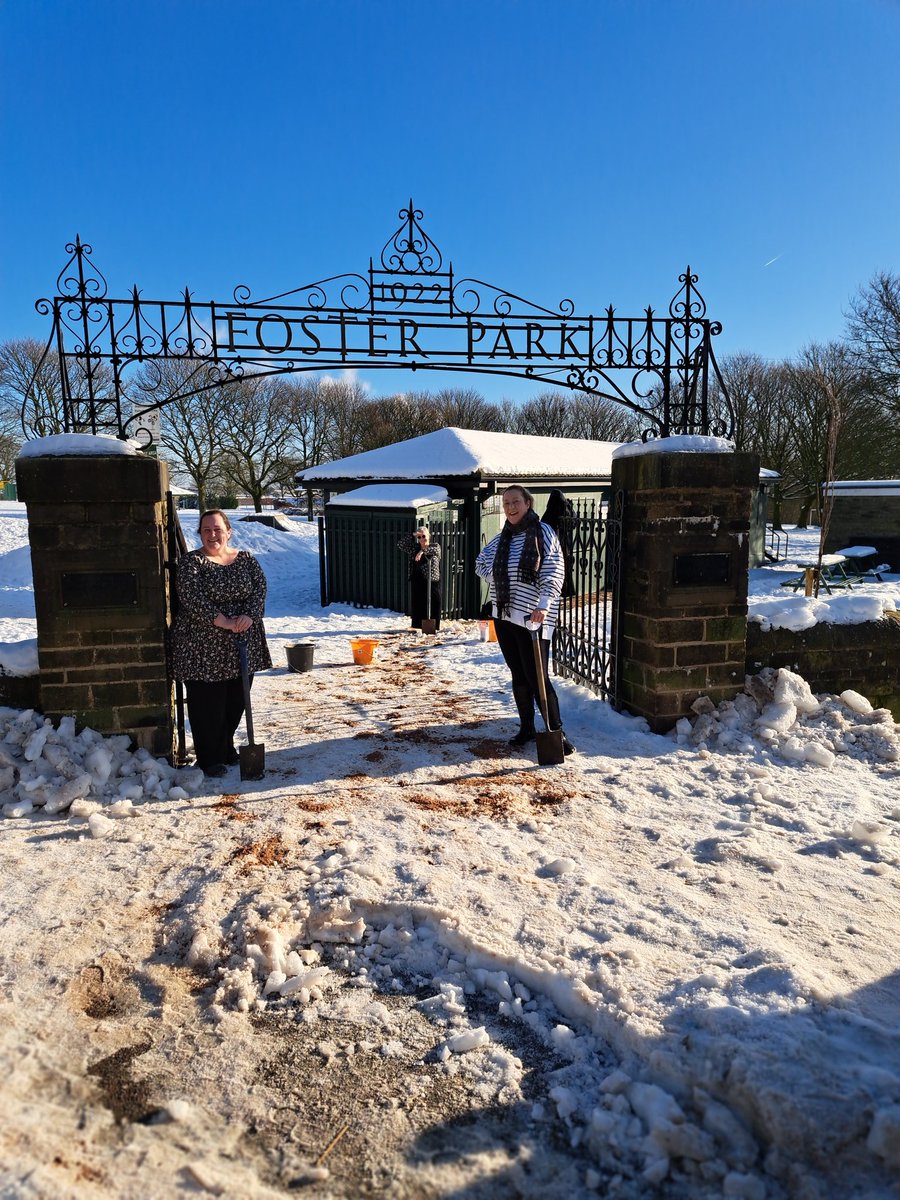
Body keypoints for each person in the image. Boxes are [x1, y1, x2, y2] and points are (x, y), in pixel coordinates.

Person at [170, 509, 272, 777]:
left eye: (217, 529)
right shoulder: (192, 563)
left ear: (229, 532)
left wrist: (249, 615)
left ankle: (226, 748)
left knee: (236, 700)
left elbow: (260, 590)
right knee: (208, 705)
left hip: (242, 642)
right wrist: (223, 621)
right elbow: (191, 598)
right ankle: (209, 758)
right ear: (200, 533)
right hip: (202, 645)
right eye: (206, 530)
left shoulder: (246, 560)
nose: (212, 535)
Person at [476, 485, 575, 754]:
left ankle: (556, 731)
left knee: (537, 676)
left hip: (533, 618)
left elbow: (554, 570)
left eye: (515, 501)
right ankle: (527, 727)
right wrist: (497, 577)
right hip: (505, 616)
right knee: (518, 674)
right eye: (506, 502)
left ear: (528, 503)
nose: (510, 507)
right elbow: (480, 562)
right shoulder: (502, 537)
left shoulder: (543, 533)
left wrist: (544, 605)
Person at [398, 526, 442, 630]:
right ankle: (418, 626)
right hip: (418, 578)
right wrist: (412, 535)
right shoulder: (414, 547)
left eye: (424, 536)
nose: (422, 539)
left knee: (435, 601)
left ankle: (434, 626)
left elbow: (433, 550)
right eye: (419, 537)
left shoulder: (435, 546)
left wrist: (422, 552)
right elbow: (400, 545)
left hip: (432, 579)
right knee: (418, 602)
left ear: (429, 536)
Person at [542, 488, 576, 599]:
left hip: (555, 545)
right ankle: (568, 590)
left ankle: (559, 591)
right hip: (567, 543)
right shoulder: (567, 511)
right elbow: (574, 523)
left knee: (556, 569)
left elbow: (544, 527)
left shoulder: (550, 512)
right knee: (565, 568)